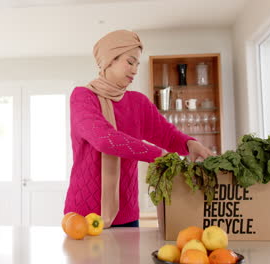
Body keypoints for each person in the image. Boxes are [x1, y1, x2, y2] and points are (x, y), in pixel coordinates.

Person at [63, 30, 213, 228]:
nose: (135, 70)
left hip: (126, 214)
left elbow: (166, 134)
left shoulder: (137, 102)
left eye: (137, 64)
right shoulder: (82, 97)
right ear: (109, 61)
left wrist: (189, 143)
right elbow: (103, 139)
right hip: (82, 213)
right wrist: (159, 155)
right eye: (130, 62)